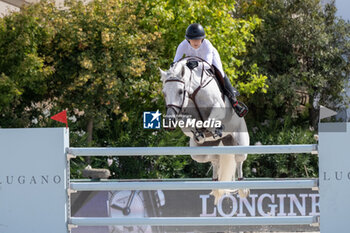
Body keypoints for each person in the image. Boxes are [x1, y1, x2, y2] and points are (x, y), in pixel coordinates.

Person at [173, 23, 248, 118]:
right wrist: (175, 65)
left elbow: (207, 64)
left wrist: (197, 64)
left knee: (220, 73)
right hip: (192, 61)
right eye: (193, 40)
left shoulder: (207, 45)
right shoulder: (182, 45)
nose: (195, 42)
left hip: (209, 61)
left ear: (202, 39)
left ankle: (234, 102)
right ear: (188, 40)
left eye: (198, 39)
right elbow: (176, 61)